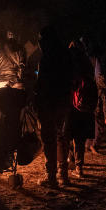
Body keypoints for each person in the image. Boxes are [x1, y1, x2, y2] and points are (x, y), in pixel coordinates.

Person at [34, 26, 74, 186]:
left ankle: (51, 176)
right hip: (64, 101)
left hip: (50, 102)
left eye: (40, 39)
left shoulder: (47, 57)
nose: (39, 43)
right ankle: (63, 175)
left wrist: (37, 99)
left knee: (49, 138)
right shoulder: (66, 54)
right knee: (61, 137)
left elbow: (42, 83)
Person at [64, 40, 97, 177]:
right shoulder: (87, 61)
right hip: (85, 105)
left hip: (72, 103)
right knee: (80, 137)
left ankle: (70, 160)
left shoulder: (69, 61)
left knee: (68, 134)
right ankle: (79, 167)